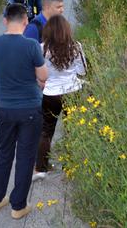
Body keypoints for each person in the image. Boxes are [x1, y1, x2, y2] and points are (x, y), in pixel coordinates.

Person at [0, 3, 48, 220]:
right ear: (25, 21)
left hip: (5, 109)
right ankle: (18, 206)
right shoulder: (31, 45)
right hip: (30, 108)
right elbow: (43, 76)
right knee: (25, 155)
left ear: (4, 21)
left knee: (4, 152)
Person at [34, 15, 86, 179]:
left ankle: (41, 168)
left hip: (50, 93)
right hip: (72, 91)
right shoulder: (76, 47)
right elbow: (83, 71)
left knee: (46, 130)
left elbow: (39, 74)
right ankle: (70, 165)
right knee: (72, 128)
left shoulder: (42, 48)